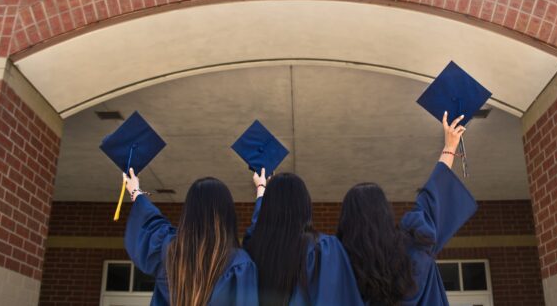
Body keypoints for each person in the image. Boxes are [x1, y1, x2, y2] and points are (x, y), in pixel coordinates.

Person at [337, 112, 478, 306]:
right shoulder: (415, 247)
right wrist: (450, 146)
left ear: (346, 221)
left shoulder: (337, 267)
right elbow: (431, 199)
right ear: (385, 214)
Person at [123, 170, 258, 306]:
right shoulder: (239, 264)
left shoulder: (169, 250)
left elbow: (150, 223)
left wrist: (135, 191)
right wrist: (261, 190)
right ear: (228, 214)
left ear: (188, 212)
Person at [243, 169, 364, 306]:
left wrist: (261, 190)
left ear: (267, 208)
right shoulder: (323, 249)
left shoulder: (254, 249)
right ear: (305, 205)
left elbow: (256, 229)